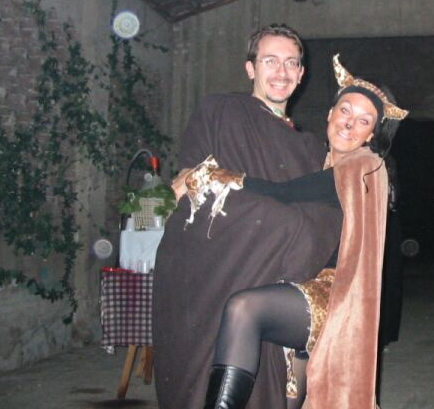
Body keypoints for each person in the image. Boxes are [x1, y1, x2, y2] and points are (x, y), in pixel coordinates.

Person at [174, 55, 408, 409]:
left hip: (335, 298)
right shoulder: (324, 162)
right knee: (290, 397)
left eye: (363, 121)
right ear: (330, 114)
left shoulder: (363, 165)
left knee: (245, 309)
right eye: (345, 111)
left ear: (371, 135)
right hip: (306, 287)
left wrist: (217, 175)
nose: (349, 124)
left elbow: (284, 193)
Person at [152, 24, 344, 409]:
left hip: (280, 284)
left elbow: (328, 220)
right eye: (270, 61)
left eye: (291, 63)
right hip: (221, 268)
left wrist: (290, 227)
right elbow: (195, 185)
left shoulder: (310, 148)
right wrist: (282, 224)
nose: (281, 72)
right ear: (250, 68)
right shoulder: (220, 111)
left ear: (301, 74)